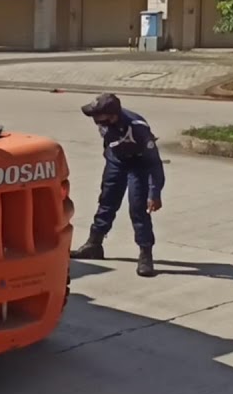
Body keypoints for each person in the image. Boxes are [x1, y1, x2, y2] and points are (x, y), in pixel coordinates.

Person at [70, 93, 166, 277]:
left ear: (112, 115)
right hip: (116, 162)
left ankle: (145, 253)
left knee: (138, 209)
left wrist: (154, 193)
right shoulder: (102, 122)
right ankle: (94, 244)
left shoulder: (138, 128)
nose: (95, 119)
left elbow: (154, 162)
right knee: (106, 202)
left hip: (139, 166)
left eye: (98, 115)